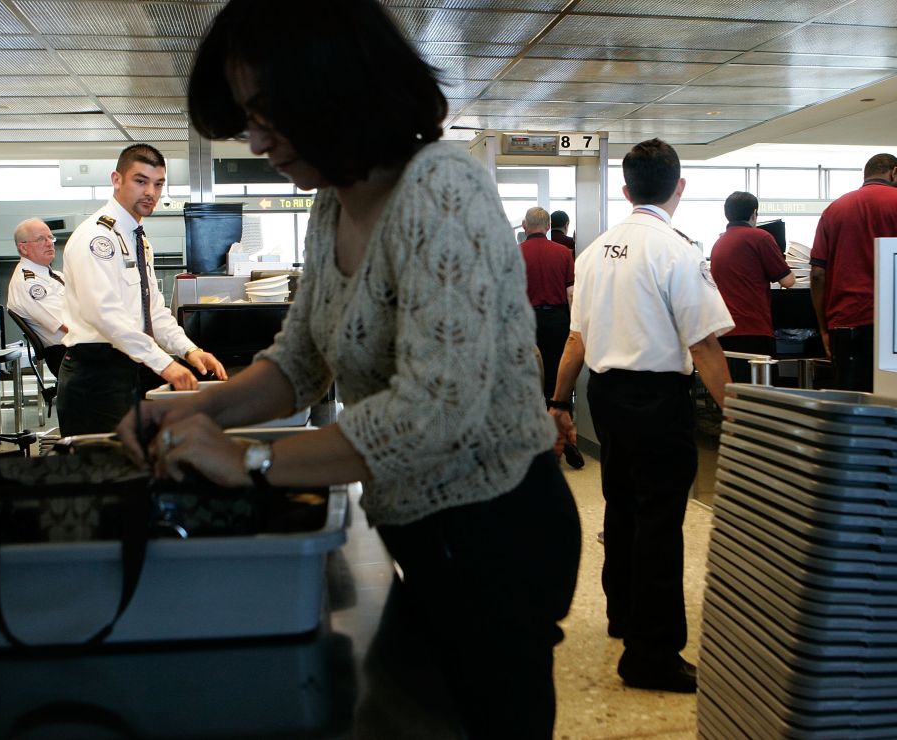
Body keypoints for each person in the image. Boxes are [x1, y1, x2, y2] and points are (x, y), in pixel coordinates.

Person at [116, 2, 581, 737]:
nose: (258, 140)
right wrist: (192, 412)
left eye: (270, 115)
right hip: (422, 529)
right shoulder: (334, 207)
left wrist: (254, 458)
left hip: (498, 528)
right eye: (248, 119)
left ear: (339, 89)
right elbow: (297, 362)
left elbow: (437, 409)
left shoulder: (442, 187)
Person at [549, 138, 732, 693]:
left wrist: (559, 403)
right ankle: (650, 655)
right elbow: (703, 348)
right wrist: (742, 417)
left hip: (605, 395)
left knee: (623, 506)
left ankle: (622, 615)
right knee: (658, 521)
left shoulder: (594, 252)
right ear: (680, 187)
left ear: (626, 190)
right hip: (656, 400)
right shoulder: (677, 251)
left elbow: (576, 341)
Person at [57, 144, 226, 436]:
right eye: (141, 181)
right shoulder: (97, 238)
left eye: (158, 184)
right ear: (116, 180)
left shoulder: (137, 239)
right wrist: (164, 364)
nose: (151, 191)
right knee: (105, 474)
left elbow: (153, 311)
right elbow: (105, 315)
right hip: (95, 376)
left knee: (135, 467)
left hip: (127, 367)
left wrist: (189, 350)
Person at [810, 153, 897, 391]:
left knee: (849, 403)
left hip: (843, 324)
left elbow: (817, 274)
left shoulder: (833, 209)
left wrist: (824, 328)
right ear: (895, 173)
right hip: (892, 325)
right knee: (893, 400)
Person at [519, 206, 584, 470]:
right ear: (547, 226)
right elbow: (571, 295)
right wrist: (573, 327)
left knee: (528, 384)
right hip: (557, 321)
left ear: (525, 226)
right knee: (557, 385)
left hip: (525, 323)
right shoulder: (564, 253)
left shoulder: (514, 254)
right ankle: (560, 438)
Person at [709, 191, 796, 383]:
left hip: (725, 330)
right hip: (754, 330)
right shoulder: (760, 238)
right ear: (754, 213)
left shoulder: (719, 243)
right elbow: (788, 281)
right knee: (760, 395)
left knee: (736, 393)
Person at [6, 218, 69, 375]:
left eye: (50, 237)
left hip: (80, 348)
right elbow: (67, 325)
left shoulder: (53, 275)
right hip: (69, 355)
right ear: (24, 248)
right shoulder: (29, 283)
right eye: (41, 239)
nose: (49, 243)